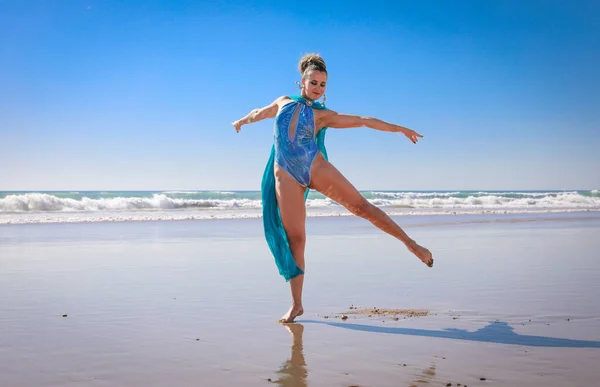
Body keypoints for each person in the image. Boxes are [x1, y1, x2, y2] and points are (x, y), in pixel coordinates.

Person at [232, 53, 433, 323]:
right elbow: (259, 112)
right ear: (301, 81)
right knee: (296, 239)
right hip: (285, 175)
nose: (318, 88)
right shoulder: (283, 102)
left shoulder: (322, 115)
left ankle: (412, 245)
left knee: (362, 207)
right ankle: (297, 304)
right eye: (313, 82)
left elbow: (363, 120)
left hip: (313, 166)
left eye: (323, 84)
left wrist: (399, 128)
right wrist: (242, 121)